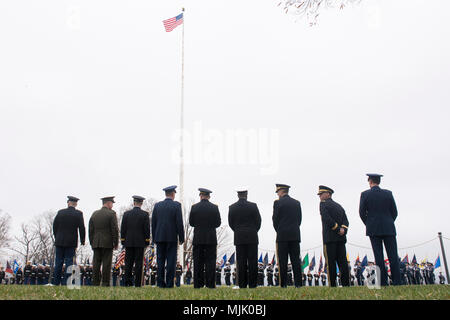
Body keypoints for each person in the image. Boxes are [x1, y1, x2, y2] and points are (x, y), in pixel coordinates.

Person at [359, 173, 401, 286]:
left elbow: (361, 213)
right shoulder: (388, 193)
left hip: (373, 229)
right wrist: (389, 221)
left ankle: (383, 282)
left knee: (379, 256)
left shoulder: (365, 195)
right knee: (393, 256)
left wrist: (369, 223)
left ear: (370, 181)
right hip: (389, 227)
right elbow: (394, 212)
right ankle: (397, 281)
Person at [152, 186, 185, 288]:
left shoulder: (157, 206)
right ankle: (170, 283)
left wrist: (154, 238)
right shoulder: (176, 205)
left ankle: (160, 283)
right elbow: (179, 223)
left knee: (160, 261)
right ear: (173, 194)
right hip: (171, 237)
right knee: (171, 261)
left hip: (159, 237)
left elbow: (153, 223)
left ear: (166, 194)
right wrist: (181, 238)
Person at [228, 188, 262, 288]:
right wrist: (253, 230)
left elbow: (231, 223)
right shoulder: (253, 206)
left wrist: (238, 230)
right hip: (252, 236)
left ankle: (242, 284)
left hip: (239, 237)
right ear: (246, 195)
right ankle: (252, 284)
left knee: (241, 261)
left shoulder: (232, 207)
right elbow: (258, 221)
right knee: (252, 261)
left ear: (238, 195)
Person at [318, 185, 350, 287]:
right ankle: (346, 284)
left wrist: (336, 229)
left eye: (321, 194)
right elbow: (346, 221)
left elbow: (326, 219)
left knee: (330, 263)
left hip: (330, 238)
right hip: (341, 238)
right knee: (342, 262)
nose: (320, 196)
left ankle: (332, 284)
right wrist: (343, 229)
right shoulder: (339, 206)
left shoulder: (323, 204)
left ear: (328, 194)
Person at [189, 188, 221, 289]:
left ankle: (198, 284)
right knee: (210, 262)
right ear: (209, 196)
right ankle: (210, 284)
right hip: (211, 238)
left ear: (201, 195)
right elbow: (218, 223)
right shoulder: (214, 208)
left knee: (198, 261)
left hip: (198, 238)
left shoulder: (194, 207)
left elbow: (191, 223)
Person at [272, 184, 302, 288]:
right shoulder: (297, 203)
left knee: (282, 261)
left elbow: (275, 220)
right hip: (295, 235)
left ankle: (283, 284)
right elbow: (299, 220)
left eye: (278, 192)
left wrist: (279, 230)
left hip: (282, 235)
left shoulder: (277, 203)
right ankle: (298, 284)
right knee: (296, 261)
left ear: (281, 192)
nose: (277, 194)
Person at [52, 196, 86, 286]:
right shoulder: (78, 214)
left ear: (68, 203)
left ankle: (56, 282)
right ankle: (66, 282)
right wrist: (82, 240)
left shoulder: (60, 213)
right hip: (71, 242)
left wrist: (57, 236)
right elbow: (82, 228)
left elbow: (54, 226)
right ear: (76, 204)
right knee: (69, 262)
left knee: (58, 262)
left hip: (59, 240)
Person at [89, 196, 119, 286]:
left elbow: (91, 230)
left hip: (96, 242)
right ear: (108, 203)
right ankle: (105, 283)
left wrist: (92, 242)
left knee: (96, 263)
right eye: (112, 203)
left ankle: (95, 282)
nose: (112, 205)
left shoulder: (94, 214)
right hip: (107, 242)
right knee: (106, 263)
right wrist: (116, 242)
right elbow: (114, 229)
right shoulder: (111, 214)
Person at [121, 195, 150, 287]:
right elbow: (146, 229)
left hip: (128, 242)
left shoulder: (126, 214)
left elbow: (123, 229)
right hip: (140, 242)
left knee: (128, 263)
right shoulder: (145, 214)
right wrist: (147, 240)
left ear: (134, 203)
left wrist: (123, 240)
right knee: (138, 264)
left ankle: (127, 282)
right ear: (141, 203)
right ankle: (137, 283)